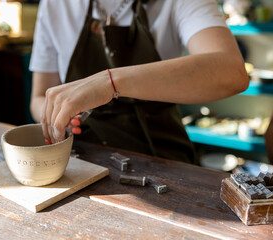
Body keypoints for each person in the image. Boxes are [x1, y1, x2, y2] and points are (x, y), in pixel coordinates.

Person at [29, 0, 249, 164]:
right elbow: (39, 97)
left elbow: (231, 71)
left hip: (161, 157)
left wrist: (109, 82)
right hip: (82, 158)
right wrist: (57, 117)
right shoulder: (55, 4)